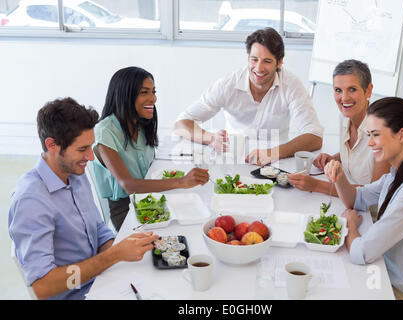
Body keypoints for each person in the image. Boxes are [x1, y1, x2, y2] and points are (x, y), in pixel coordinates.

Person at [8, 98, 159, 300]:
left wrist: (126, 246)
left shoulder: (75, 174)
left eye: (90, 146)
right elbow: (42, 287)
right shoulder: (31, 200)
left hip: (102, 280)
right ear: (52, 145)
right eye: (82, 149)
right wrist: (114, 255)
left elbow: (98, 230)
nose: (90, 157)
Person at [324, 97, 403, 300]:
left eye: (375, 135)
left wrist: (350, 226)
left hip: (398, 292)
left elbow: (361, 252)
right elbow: (357, 199)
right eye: (368, 135)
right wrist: (339, 176)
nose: (369, 143)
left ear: (401, 135)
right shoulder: (402, 169)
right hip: (381, 272)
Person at [173, 27, 323, 166]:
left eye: (267, 61)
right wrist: (210, 138)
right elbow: (180, 124)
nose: (258, 68)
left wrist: (272, 153)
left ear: (279, 63)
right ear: (248, 58)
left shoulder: (292, 85)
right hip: (232, 160)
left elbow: (315, 136)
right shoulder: (228, 84)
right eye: (254, 59)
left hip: (276, 162)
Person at [93, 67, 210, 232]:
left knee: (197, 220)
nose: (153, 98)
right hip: (125, 208)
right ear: (125, 94)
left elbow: (150, 163)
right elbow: (129, 185)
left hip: (149, 197)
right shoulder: (105, 130)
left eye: (153, 92)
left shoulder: (141, 122)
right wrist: (182, 181)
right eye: (144, 92)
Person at [288, 59, 390, 195]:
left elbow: (376, 193)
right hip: (348, 198)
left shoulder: (381, 132)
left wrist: (317, 185)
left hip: (370, 212)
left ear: (368, 91)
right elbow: (357, 154)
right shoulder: (345, 116)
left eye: (352, 89)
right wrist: (334, 158)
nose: (344, 98)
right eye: (338, 90)